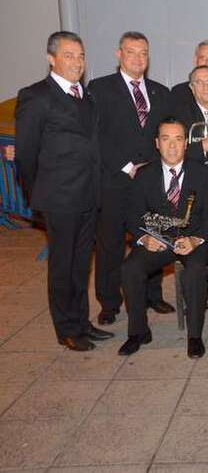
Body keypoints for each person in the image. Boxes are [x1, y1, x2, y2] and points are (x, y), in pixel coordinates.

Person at [15, 31, 113, 351]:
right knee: (62, 265)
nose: (77, 62)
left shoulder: (87, 96)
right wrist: (39, 193)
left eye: (80, 56)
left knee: (81, 264)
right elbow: (26, 153)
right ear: (51, 58)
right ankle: (66, 328)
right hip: (59, 198)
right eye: (69, 55)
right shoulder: (36, 96)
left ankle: (82, 322)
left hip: (89, 196)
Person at [89, 31, 173, 325]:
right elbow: (95, 135)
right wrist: (125, 166)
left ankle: (153, 295)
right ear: (119, 54)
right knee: (110, 245)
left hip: (150, 183)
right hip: (114, 180)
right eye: (131, 52)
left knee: (153, 238)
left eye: (143, 53)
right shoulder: (100, 88)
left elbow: (162, 136)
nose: (138, 58)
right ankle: (109, 303)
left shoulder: (161, 92)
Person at [118, 119, 208, 358]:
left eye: (178, 139)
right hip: (157, 238)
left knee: (195, 272)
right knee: (130, 268)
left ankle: (194, 337)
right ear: (157, 143)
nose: (172, 146)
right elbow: (131, 213)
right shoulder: (144, 174)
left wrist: (196, 239)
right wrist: (144, 238)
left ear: (186, 144)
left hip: (192, 239)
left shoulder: (205, 174)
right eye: (166, 139)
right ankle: (138, 332)